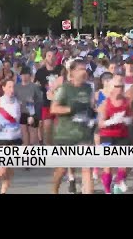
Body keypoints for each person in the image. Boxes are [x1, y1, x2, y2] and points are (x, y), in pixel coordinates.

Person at [50, 59, 94, 194]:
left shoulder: (88, 87)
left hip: (83, 133)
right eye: (81, 69)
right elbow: (54, 108)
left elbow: (91, 106)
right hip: (65, 134)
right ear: (72, 72)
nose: (84, 72)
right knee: (62, 169)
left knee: (87, 168)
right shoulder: (65, 88)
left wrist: (94, 114)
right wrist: (71, 109)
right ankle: (54, 190)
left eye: (85, 69)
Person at [97, 74, 132, 194]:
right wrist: (112, 121)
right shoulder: (106, 103)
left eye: (122, 86)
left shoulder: (127, 101)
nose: (120, 89)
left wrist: (127, 120)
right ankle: (107, 190)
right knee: (108, 166)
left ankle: (118, 182)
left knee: (124, 164)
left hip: (122, 135)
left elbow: (131, 116)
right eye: (117, 86)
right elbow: (100, 123)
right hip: (107, 135)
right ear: (112, 87)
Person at [34, 50, 61, 145]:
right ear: (45, 58)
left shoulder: (61, 70)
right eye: (48, 56)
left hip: (60, 103)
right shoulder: (40, 72)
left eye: (52, 56)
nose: (51, 58)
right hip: (46, 104)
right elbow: (36, 86)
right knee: (47, 128)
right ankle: (49, 149)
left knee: (59, 129)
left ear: (56, 58)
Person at [14, 66, 43, 148]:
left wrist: (36, 116)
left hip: (32, 113)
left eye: (26, 74)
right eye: (22, 74)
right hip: (21, 112)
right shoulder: (16, 87)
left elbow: (40, 101)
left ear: (30, 75)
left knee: (33, 136)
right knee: (24, 133)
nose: (24, 76)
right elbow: (13, 98)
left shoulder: (34, 87)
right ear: (20, 76)